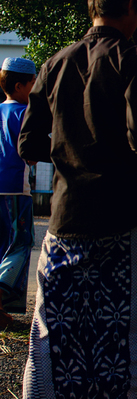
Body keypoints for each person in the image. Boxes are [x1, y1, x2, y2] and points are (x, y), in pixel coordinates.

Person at [18, 0, 137, 397]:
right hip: (123, 223)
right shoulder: (134, 57)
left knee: (53, 334)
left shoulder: (54, 63)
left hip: (65, 226)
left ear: (92, 5)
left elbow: (28, 145)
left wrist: (67, 146)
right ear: (132, 5)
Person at [0, 57, 36, 328]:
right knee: (21, 242)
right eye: (33, 83)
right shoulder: (25, 113)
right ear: (21, 85)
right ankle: (1, 290)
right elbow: (31, 152)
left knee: (1, 245)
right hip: (15, 188)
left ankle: (2, 313)